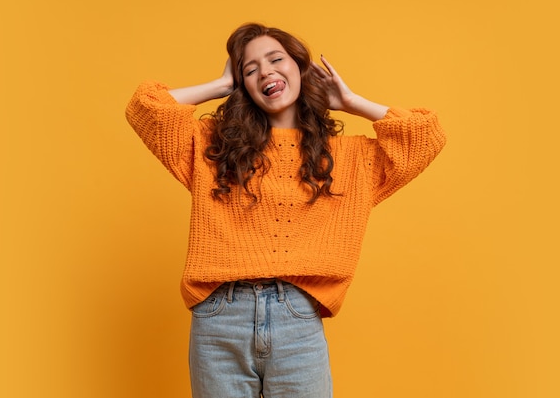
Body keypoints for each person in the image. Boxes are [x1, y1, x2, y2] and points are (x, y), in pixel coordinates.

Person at [125, 22, 446, 398]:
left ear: (300, 67)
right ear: (243, 84)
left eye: (276, 59)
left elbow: (426, 135)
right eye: (250, 69)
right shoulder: (213, 148)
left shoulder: (348, 158)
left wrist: (350, 101)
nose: (266, 72)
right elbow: (145, 108)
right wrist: (220, 86)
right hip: (218, 320)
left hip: (297, 317)